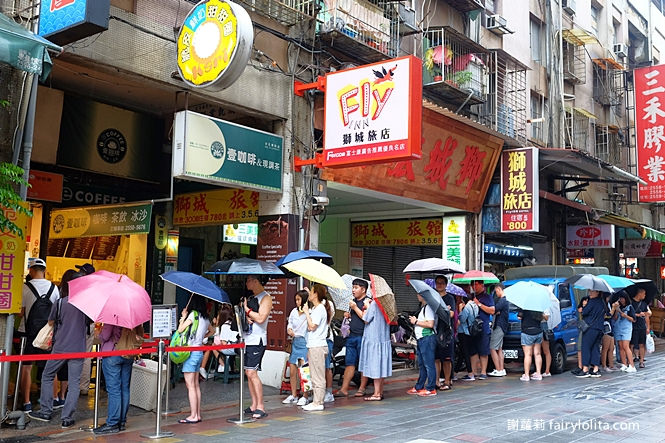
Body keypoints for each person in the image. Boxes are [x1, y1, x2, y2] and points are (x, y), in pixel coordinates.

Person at [28, 270, 85, 428]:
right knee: (74, 382)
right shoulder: (85, 305)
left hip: (60, 346)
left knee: (47, 375)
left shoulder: (60, 302)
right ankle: (67, 418)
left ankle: (46, 411)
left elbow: (51, 321)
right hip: (79, 348)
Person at [18, 258, 59, 412]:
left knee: (27, 368)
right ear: (44, 271)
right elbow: (56, 312)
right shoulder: (54, 288)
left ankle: (27, 403)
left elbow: (20, 312)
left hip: (28, 333)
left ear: (31, 270)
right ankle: (53, 398)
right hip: (47, 334)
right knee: (50, 368)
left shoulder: (25, 287)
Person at [93, 324, 144, 434]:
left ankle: (112, 423)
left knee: (114, 390)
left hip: (112, 353)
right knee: (124, 389)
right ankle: (121, 422)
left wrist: (98, 334)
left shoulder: (112, 314)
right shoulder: (132, 317)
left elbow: (105, 336)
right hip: (128, 354)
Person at [178, 294, 214, 424]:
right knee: (196, 385)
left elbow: (180, 330)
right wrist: (202, 337)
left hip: (191, 352)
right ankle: (197, 414)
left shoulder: (193, 315)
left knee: (190, 385)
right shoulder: (205, 317)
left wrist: (183, 317)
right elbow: (212, 331)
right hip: (199, 351)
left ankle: (193, 415)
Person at [243, 275, 273, 419]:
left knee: (252, 373)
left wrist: (247, 310)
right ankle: (254, 404)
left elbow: (261, 318)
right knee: (248, 373)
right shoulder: (250, 298)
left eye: (249, 280)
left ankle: (260, 406)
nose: (246, 283)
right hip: (247, 338)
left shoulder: (266, 298)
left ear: (255, 281)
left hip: (257, 340)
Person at [335, 278, 369, 398]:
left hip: (363, 336)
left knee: (363, 363)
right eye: (353, 287)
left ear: (363, 289)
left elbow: (366, 319)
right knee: (349, 363)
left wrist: (355, 308)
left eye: (356, 287)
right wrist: (348, 315)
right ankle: (344, 389)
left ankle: (362, 388)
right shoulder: (352, 302)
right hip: (351, 336)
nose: (353, 290)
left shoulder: (367, 302)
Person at [301, 284, 332, 411]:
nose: (309, 294)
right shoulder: (316, 308)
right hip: (314, 345)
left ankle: (318, 402)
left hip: (317, 345)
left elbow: (312, 326)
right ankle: (316, 400)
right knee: (313, 374)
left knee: (318, 375)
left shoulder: (319, 309)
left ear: (316, 294)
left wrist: (307, 313)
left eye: (311, 292)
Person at [358, 291, 392, 401]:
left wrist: (367, 306)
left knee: (375, 365)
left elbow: (366, 319)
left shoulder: (375, 304)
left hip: (373, 338)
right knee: (381, 365)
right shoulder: (386, 304)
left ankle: (376, 393)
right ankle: (380, 392)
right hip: (383, 337)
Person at [283, 290, 310, 407]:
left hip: (304, 342)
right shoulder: (294, 311)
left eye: (299, 299)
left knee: (304, 371)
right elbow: (290, 323)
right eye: (296, 300)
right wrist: (289, 330)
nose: (297, 302)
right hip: (295, 342)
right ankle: (293, 394)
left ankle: (305, 396)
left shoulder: (309, 313)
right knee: (293, 370)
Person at [406, 293, 437, 397]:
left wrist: (416, 321)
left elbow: (430, 324)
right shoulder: (423, 308)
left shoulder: (428, 308)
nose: (417, 295)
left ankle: (431, 388)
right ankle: (419, 386)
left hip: (427, 338)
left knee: (428, 364)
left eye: (419, 294)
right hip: (422, 339)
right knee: (422, 364)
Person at [75, 263, 96, 396]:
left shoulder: (82, 288)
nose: (79, 273)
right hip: (91, 324)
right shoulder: (96, 289)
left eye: (81, 271)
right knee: (86, 356)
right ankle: (84, 387)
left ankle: (75, 386)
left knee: (77, 356)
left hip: (80, 324)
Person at [469, 280, 495, 379]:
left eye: (476, 284)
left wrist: (479, 304)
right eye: (472, 285)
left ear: (481, 285)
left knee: (483, 350)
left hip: (483, 326)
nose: (474, 286)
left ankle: (483, 371)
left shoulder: (487, 297)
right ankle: (474, 372)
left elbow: (492, 310)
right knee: (473, 350)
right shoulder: (471, 296)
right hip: (472, 327)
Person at [433, 275, 455, 390]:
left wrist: (444, 310)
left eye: (442, 283)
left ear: (446, 285)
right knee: (436, 358)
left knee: (446, 358)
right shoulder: (433, 297)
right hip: (435, 330)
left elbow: (451, 314)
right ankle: (436, 381)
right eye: (437, 283)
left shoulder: (450, 298)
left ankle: (447, 381)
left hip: (446, 332)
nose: (439, 285)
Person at [577, 290, 605, 378]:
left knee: (586, 347)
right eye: (589, 291)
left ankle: (585, 369)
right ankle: (595, 369)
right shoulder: (602, 302)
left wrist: (583, 307)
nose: (589, 293)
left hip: (590, 328)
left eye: (591, 291)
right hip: (599, 328)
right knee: (595, 348)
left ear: (597, 292)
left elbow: (585, 312)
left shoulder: (592, 302)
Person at [612, 293, 636, 373]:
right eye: (620, 298)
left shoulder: (630, 307)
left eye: (622, 298)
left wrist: (625, 316)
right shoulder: (618, 307)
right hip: (618, 328)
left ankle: (632, 365)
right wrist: (616, 310)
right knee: (620, 347)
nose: (621, 300)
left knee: (626, 346)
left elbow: (634, 319)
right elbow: (615, 318)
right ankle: (624, 364)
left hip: (626, 328)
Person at [488, 283, 508, 377]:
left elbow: (494, 310)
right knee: (499, 348)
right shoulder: (505, 301)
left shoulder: (502, 301)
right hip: (503, 327)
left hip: (499, 326)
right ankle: (501, 369)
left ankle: (498, 369)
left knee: (492, 348)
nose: (496, 293)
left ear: (499, 289)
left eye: (496, 291)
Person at [518, 310, 543, 381]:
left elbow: (519, 317)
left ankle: (526, 375)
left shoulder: (524, 307)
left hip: (527, 332)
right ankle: (538, 374)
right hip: (538, 331)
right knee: (537, 354)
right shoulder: (539, 308)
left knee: (528, 354)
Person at [458, 295, 477, 381]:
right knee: (463, 352)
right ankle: (455, 371)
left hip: (464, 331)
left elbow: (462, 319)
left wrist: (460, 310)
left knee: (465, 353)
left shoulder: (466, 308)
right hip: (471, 331)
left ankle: (470, 373)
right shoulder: (475, 306)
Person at [630, 288, 650, 368]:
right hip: (633, 326)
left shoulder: (644, 304)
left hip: (642, 326)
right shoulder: (631, 303)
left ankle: (641, 361)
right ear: (640, 293)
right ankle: (630, 360)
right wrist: (637, 315)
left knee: (642, 344)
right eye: (644, 294)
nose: (644, 296)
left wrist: (648, 327)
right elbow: (629, 314)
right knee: (631, 344)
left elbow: (647, 316)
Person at [571, 296, 589, 375]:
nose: (584, 303)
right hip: (582, 329)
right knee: (579, 348)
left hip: (588, 329)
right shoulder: (579, 311)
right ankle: (580, 366)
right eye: (583, 302)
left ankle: (585, 366)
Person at [600, 293, 616, 373]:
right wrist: (613, 308)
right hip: (605, 327)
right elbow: (608, 316)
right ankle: (604, 365)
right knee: (605, 348)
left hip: (611, 326)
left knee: (611, 347)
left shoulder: (608, 304)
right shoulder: (602, 305)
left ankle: (611, 364)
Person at [540, 308, 553, 377]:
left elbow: (546, 318)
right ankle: (538, 371)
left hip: (543, 326)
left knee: (546, 350)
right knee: (537, 351)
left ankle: (547, 371)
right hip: (535, 326)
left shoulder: (545, 306)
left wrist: (540, 313)